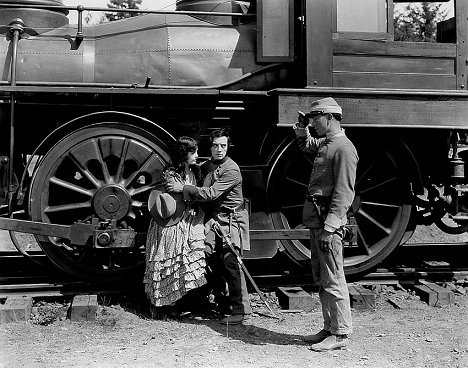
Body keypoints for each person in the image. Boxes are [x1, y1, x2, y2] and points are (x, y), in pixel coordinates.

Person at [166, 128, 252, 325]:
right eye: (215, 145)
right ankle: (222, 303)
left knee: (231, 263)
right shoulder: (207, 166)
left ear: (228, 146)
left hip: (232, 220)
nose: (219, 149)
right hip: (214, 220)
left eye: (223, 145)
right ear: (210, 147)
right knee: (209, 258)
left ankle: (241, 311)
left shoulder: (232, 169)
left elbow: (211, 193)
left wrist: (184, 188)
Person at [293, 97, 358, 351]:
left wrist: (331, 228)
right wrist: (302, 129)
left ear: (328, 118)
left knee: (333, 277)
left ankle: (341, 333)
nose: (313, 124)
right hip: (318, 220)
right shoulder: (329, 142)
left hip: (328, 223)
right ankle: (329, 327)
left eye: (315, 119)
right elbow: (308, 145)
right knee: (322, 276)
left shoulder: (344, 148)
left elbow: (344, 193)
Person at [144, 136, 207, 309]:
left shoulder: (195, 172)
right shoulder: (172, 174)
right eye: (193, 152)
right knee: (169, 263)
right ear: (183, 154)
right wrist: (192, 192)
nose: (197, 155)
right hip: (173, 222)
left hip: (189, 219)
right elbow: (182, 198)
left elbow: (192, 194)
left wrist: (190, 191)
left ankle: (182, 301)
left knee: (185, 263)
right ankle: (165, 304)